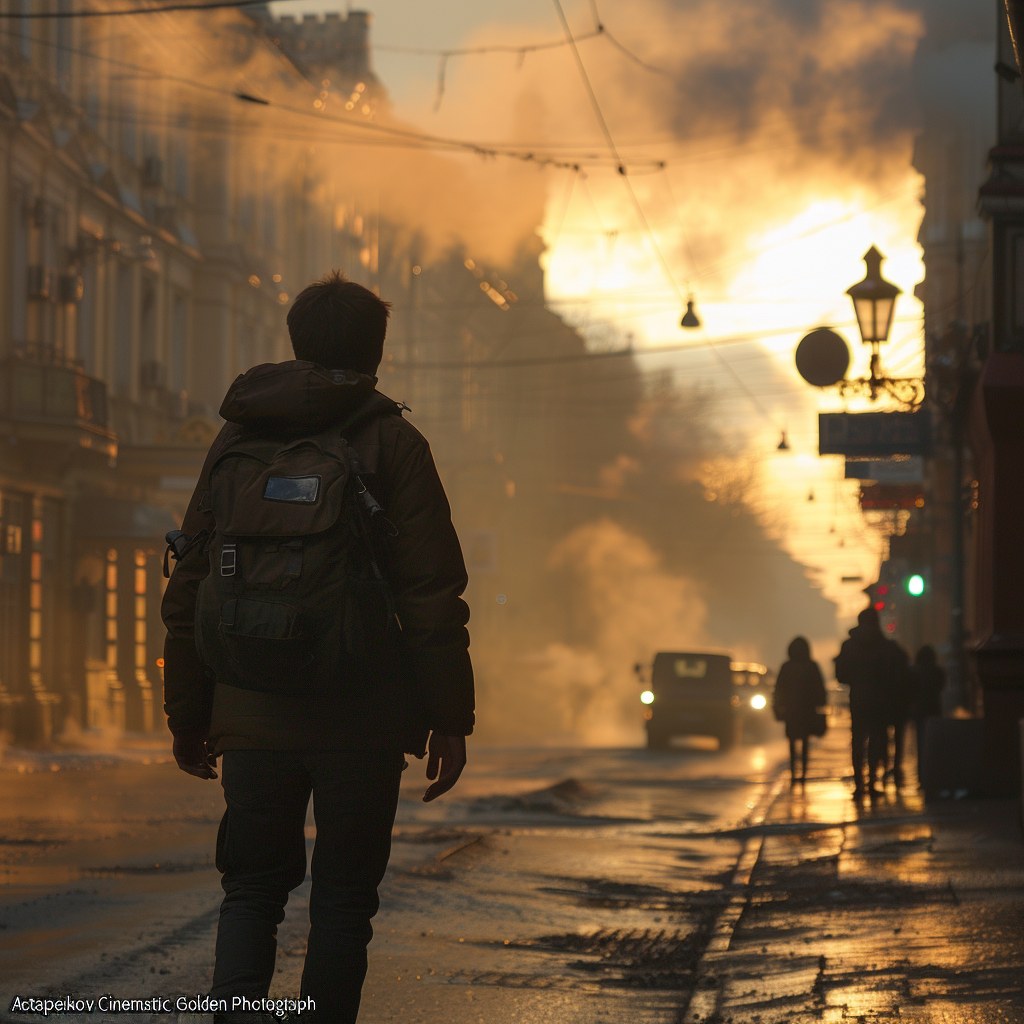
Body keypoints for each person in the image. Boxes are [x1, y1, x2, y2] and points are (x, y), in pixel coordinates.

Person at [162, 271, 475, 1024]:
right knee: (341, 902)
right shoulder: (392, 441)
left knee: (251, 893)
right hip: (361, 721)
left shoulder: (236, 439)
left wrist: (187, 714)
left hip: (250, 710)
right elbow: (430, 596)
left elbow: (191, 584)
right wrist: (450, 718)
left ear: (297, 341)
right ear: (377, 351)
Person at [834, 607, 904, 799]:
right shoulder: (886, 646)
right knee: (876, 741)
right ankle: (873, 783)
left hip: (858, 699)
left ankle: (859, 785)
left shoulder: (849, 646)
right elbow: (896, 673)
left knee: (858, 742)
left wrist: (856, 681)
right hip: (880, 700)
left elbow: (840, 675)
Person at [772, 637, 827, 783]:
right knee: (805, 742)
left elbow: (778, 689)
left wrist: (777, 708)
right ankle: (803, 773)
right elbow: (819, 688)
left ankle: (793, 772)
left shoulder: (786, 667)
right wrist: (820, 705)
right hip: (807, 711)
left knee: (792, 742)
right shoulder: (812, 666)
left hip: (791, 711)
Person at [909, 644, 946, 788]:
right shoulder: (938, 671)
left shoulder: (913, 672)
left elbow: (909, 689)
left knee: (920, 743)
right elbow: (941, 686)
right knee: (934, 744)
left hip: (919, 711)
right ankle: (933, 775)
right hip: (934, 710)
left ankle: (922, 777)